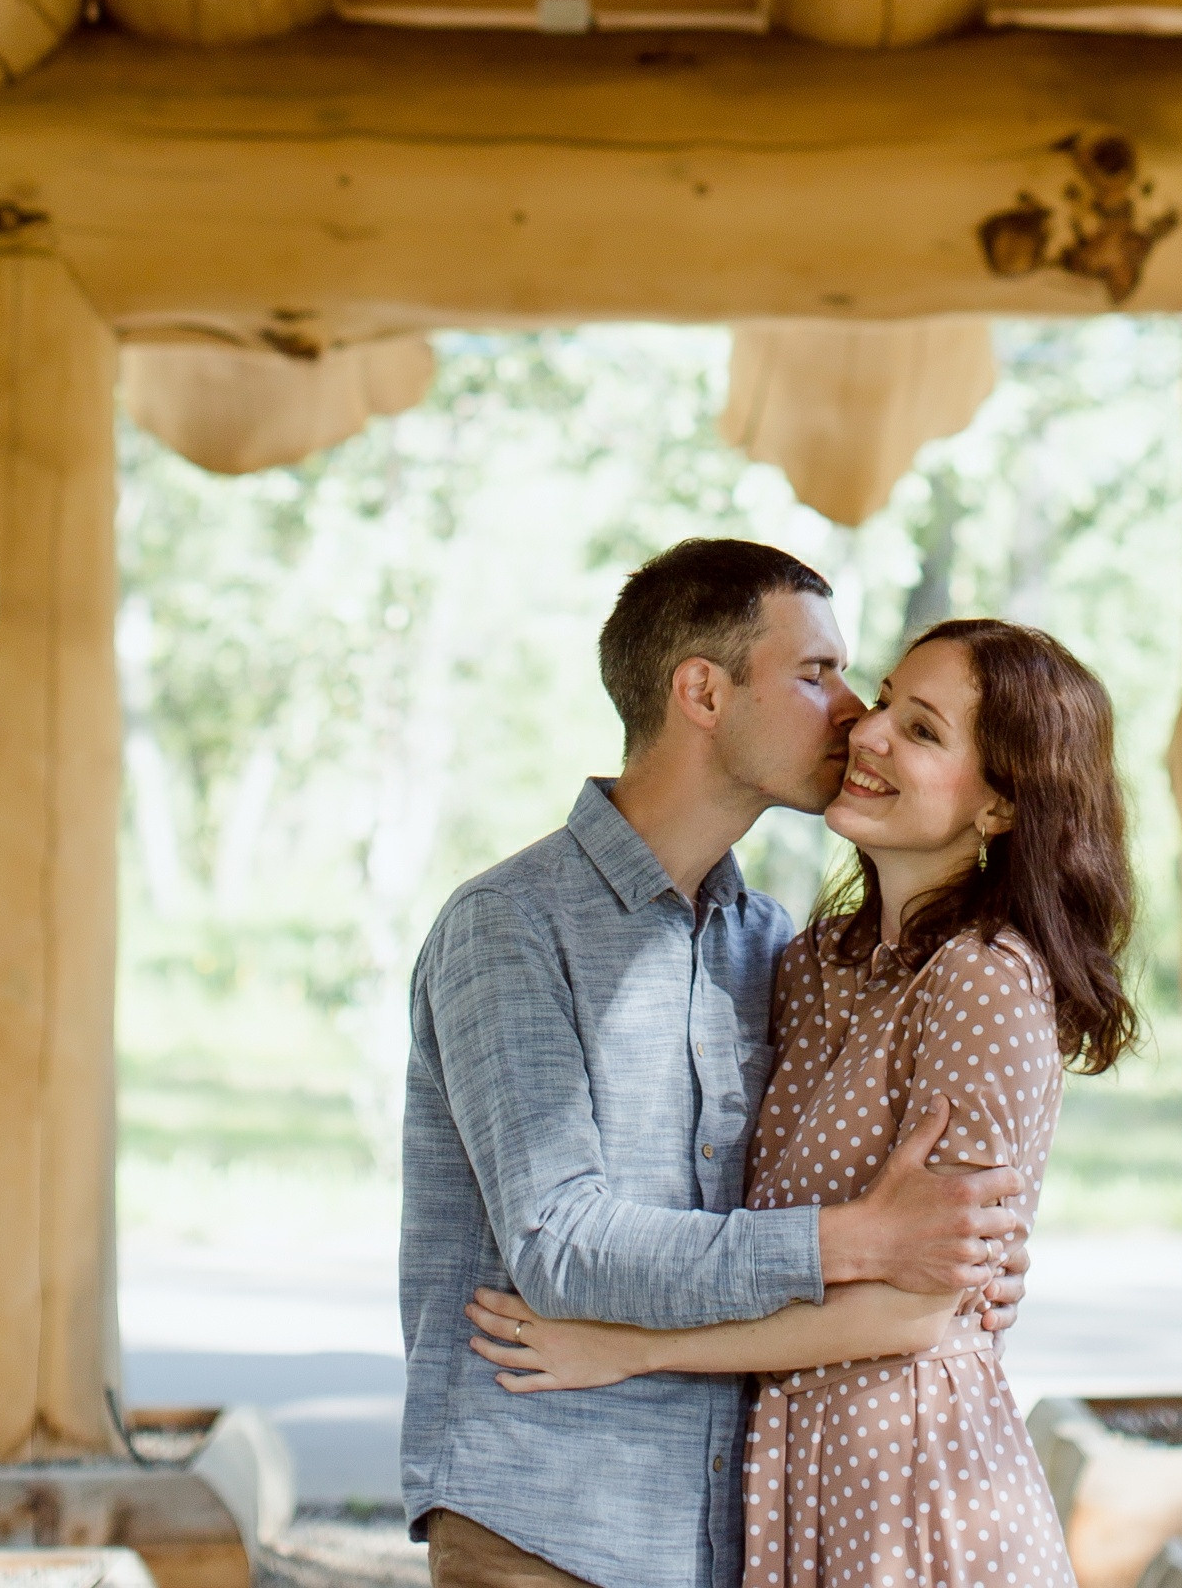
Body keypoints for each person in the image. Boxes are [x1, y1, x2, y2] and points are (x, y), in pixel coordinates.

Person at [400, 541, 1034, 1588]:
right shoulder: (508, 928)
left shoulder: (769, 946)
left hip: (725, 1534)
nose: (850, 718)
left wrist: (971, 1257)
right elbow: (559, 1243)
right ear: (702, 690)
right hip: (545, 1519)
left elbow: (850, 1192)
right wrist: (858, 1239)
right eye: (816, 675)